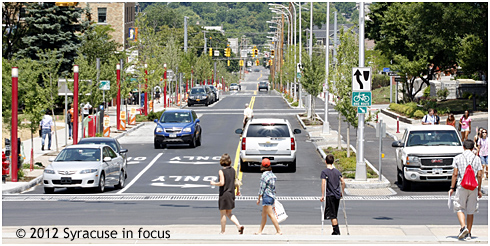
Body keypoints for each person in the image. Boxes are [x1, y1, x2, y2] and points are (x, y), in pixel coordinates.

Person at [449, 140, 483, 240]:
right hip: (473, 187)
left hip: (462, 185)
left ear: (463, 147)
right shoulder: (477, 159)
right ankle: (469, 233)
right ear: (473, 148)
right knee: (471, 211)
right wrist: (479, 190)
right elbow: (480, 175)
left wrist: (452, 187)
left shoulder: (457, 158)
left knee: (458, 207)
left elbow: (455, 174)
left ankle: (463, 227)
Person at [210, 154, 244, 234]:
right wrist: (238, 190)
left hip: (224, 194)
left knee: (223, 214)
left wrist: (214, 183)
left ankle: (223, 231)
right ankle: (238, 225)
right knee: (229, 213)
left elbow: (222, 183)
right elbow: (236, 181)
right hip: (231, 193)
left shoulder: (221, 171)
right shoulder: (233, 170)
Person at [320, 154, 346, 235]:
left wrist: (322, 195)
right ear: (333, 161)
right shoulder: (337, 171)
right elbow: (343, 181)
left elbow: (323, 183)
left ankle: (336, 231)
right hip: (337, 195)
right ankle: (335, 230)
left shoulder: (324, 172)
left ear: (325, 161)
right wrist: (342, 191)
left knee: (332, 215)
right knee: (333, 213)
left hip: (330, 195)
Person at [255, 158, 282, 235]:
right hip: (272, 196)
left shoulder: (264, 175)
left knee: (270, 214)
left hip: (266, 196)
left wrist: (259, 198)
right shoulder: (273, 175)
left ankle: (279, 230)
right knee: (264, 215)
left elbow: (262, 188)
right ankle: (259, 231)